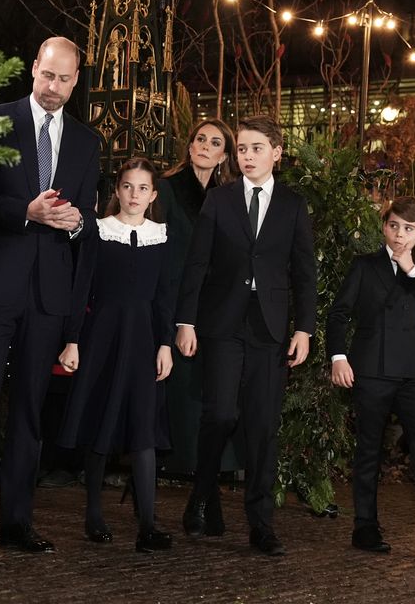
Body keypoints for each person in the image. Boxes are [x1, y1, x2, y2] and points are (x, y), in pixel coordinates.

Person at [0, 36, 100, 553]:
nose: (54, 88)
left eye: (64, 80)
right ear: (33, 68)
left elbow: (85, 225)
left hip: (48, 294)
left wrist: (78, 222)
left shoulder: (86, 142)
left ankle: (17, 521)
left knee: (30, 411)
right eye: (47, 76)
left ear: (76, 80)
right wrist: (25, 212)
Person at [175, 114, 317, 556]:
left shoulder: (293, 206)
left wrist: (304, 329)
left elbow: (304, 274)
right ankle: (201, 494)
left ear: (276, 152)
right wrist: (185, 321)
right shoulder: (219, 200)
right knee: (218, 414)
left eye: (256, 148)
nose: (247, 156)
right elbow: (196, 263)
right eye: (241, 149)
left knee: (261, 426)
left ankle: (261, 524)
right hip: (222, 323)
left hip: (270, 328)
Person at [327, 196, 415, 556]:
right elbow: (339, 313)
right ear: (384, 227)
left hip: (411, 375)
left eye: (408, 229)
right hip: (371, 371)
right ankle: (365, 527)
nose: (399, 234)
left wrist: (411, 270)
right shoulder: (364, 266)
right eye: (393, 226)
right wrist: (338, 357)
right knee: (369, 450)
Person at [57, 157, 175, 553]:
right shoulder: (99, 232)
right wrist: (72, 339)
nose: (134, 195)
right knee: (101, 424)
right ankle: (93, 514)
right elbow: (80, 287)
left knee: (143, 430)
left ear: (153, 195)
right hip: (103, 338)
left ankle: (147, 525)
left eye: (143, 188)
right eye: (128, 186)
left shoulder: (161, 236)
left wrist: (165, 344)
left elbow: (164, 298)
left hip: (144, 341)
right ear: (117, 191)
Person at [158, 120, 242, 491]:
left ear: (224, 155)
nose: (206, 146)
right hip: (174, 293)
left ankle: (215, 463)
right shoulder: (166, 188)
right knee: (179, 382)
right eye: (200, 139)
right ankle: (177, 459)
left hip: (217, 304)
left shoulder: (229, 195)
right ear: (190, 146)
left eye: (215, 142)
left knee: (214, 385)